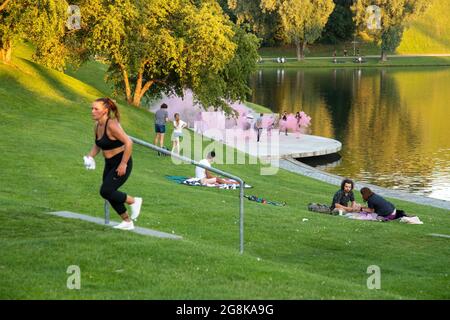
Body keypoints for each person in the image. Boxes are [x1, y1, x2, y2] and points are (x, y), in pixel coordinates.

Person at [85, 98, 142, 231]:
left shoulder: (111, 125)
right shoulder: (97, 126)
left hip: (122, 162)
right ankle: (127, 221)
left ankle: (134, 201)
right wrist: (89, 156)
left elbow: (129, 143)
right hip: (109, 163)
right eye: (92, 108)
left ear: (105, 111)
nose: (92, 111)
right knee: (108, 193)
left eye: (96, 109)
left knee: (106, 190)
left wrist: (123, 164)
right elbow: (98, 145)